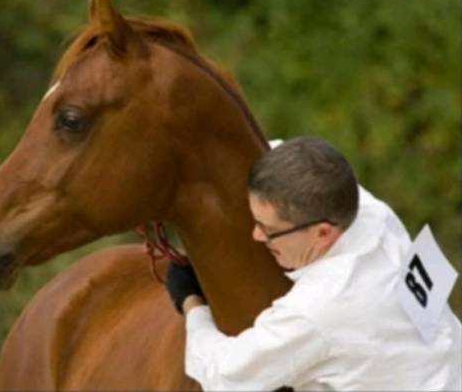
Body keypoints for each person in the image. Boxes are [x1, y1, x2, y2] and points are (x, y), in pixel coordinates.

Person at [165, 137, 461, 391]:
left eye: (268, 229)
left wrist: (192, 303)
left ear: (322, 233)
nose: (256, 235)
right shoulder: (374, 215)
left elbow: (224, 375)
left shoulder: (319, 310)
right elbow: (276, 151)